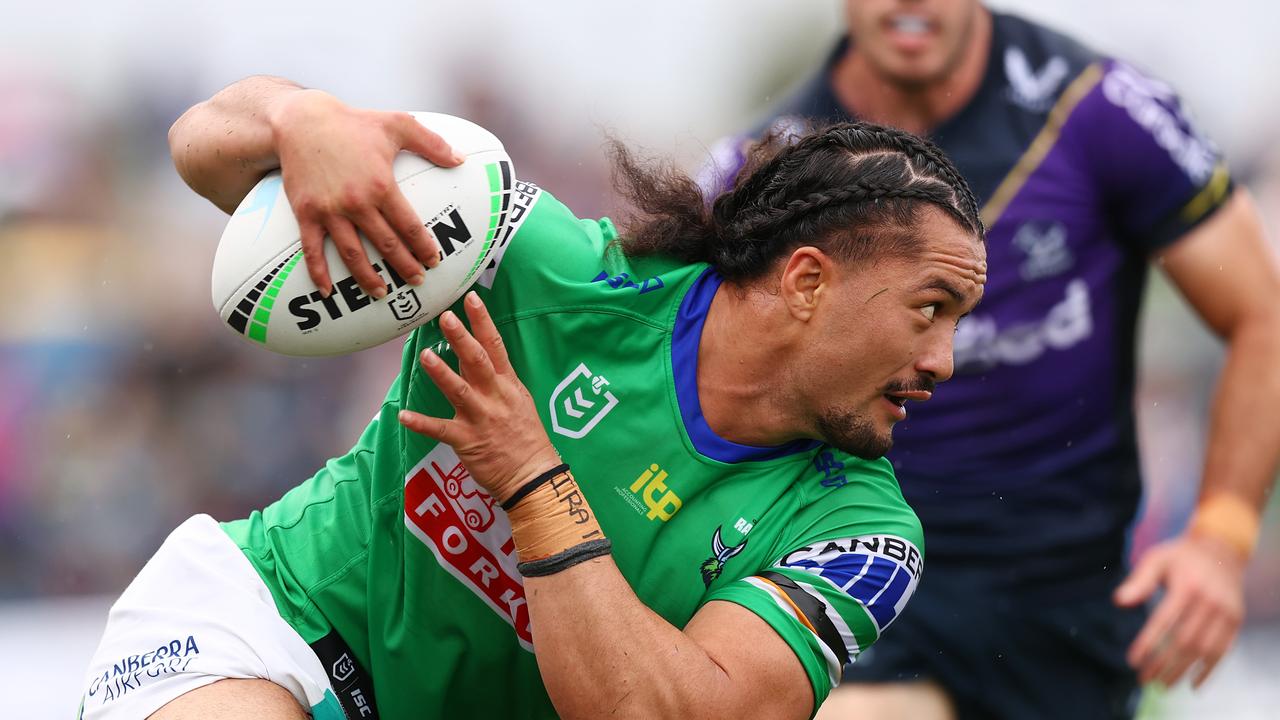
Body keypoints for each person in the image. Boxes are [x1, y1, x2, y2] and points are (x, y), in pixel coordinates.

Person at [78, 76, 987, 719]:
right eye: (930, 308)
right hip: (276, 623)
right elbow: (202, 143)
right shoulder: (545, 263)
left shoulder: (862, 534)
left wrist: (533, 479)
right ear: (806, 283)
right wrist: (298, 117)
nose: (947, 359)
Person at [703, 2, 1280, 719]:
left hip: (1061, 604)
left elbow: (1264, 317)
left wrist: (1221, 540)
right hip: (862, 560)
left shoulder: (1097, 111)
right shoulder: (763, 169)